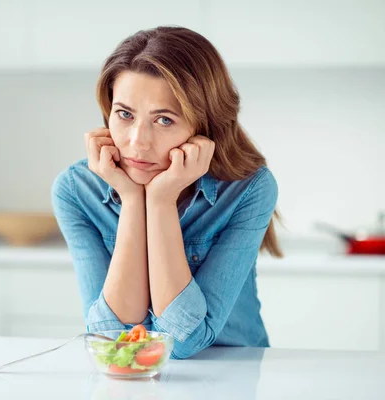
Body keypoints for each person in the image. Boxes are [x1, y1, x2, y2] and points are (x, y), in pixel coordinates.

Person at [51, 26, 282, 359]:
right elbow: (111, 338)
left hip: (237, 373)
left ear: (203, 126)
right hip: (135, 383)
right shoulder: (76, 190)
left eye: (164, 120)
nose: (136, 142)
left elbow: (183, 340)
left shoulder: (249, 189)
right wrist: (132, 200)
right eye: (124, 114)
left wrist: (160, 202)